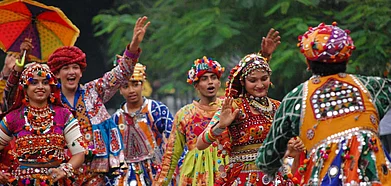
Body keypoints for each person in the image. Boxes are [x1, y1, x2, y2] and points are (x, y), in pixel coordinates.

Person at [257, 22, 391, 185]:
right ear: (347, 57)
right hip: (376, 175)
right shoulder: (373, 86)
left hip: (325, 178)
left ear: (308, 63)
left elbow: (266, 159)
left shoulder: (295, 98)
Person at [46, 16, 150, 185]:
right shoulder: (49, 100)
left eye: (75, 67)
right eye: (65, 68)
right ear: (57, 74)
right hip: (61, 171)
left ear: (81, 72)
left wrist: (134, 46)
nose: (71, 72)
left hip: (96, 171)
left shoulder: (93, 91)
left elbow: (122, 73)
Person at [0, 62, 85, 185]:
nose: (40, 87)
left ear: (51, 87)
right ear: (25, 88)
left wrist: (63, 170)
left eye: (45, 82)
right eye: (34, 83)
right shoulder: (14, 118)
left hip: (55, 181)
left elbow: (79, 153)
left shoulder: (63, 115)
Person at [153, 56, 228, 186]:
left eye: (213, 77)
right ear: (196, 85)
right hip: (195, 177)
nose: (210, 82)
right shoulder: (185, 115)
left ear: (219, 83)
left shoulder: (229, 108)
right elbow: (171, 155)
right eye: (204, 79)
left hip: (226, 172)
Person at [105, 62, 174, 185]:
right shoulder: (115, 119)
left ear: (142, 85)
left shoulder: (156, 109)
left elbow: (174, 139)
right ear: (120, 90)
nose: (131, 90)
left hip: (158, 172)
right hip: (127, 176)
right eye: (125, 86)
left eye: (135, 84)